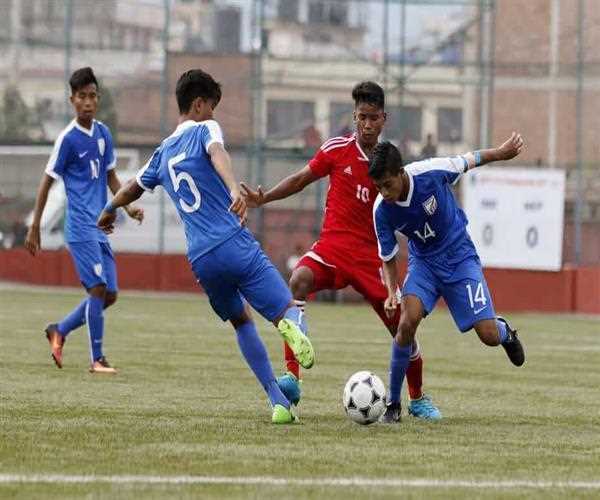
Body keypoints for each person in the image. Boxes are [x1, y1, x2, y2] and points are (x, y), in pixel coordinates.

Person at [97, 69, 313, 424]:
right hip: (232, 241)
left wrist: (109, 209)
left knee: (242, 323)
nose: (214, 115)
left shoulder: (162, 152)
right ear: (198, 104)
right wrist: (232, 188)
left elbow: (132, 188)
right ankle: (290, 323)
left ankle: (278, 402)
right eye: (212, 106)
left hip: (201, 258)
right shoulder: (205, 129)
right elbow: (217, 154)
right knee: (289, 308)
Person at [241, 81, 439, 421]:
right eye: (361, 117)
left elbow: (407, 204)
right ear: (354, 116)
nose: (366, 124)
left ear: (384, 119)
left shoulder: (389, 161)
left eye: (373, 118)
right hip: (332, 248)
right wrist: (265, 198)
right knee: (299, 279)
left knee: (404, 326)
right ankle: (291, 376)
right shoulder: (336, 149)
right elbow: (302, 178)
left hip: (372, 259)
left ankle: (418, 398)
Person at [369, 134, 526, 419]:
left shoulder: (430, 172)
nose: (384, 192)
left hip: (459, 257)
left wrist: (501, 153)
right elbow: (388, 255)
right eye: (378, 187)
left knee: (488, 335)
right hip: (424, 264)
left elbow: (469, 160)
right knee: (406, 323)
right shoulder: (381, 210)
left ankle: (505, 333)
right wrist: (393, 291)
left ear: (401, 173)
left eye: (388, 184)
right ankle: (393, 404)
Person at [24, 67, 144, 374]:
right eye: (81, 97)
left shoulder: (103, 134)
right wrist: (35, 226)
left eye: (92, 96)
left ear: (98, 98)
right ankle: (97, 359)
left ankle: (60, 330)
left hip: (100, 227)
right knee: (97, 288)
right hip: (79, 226)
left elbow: (112, 177)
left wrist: (128, 208)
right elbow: (46, 182)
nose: (87, 102)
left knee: (111, 294)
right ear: (72, 100)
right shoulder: (67, 140)